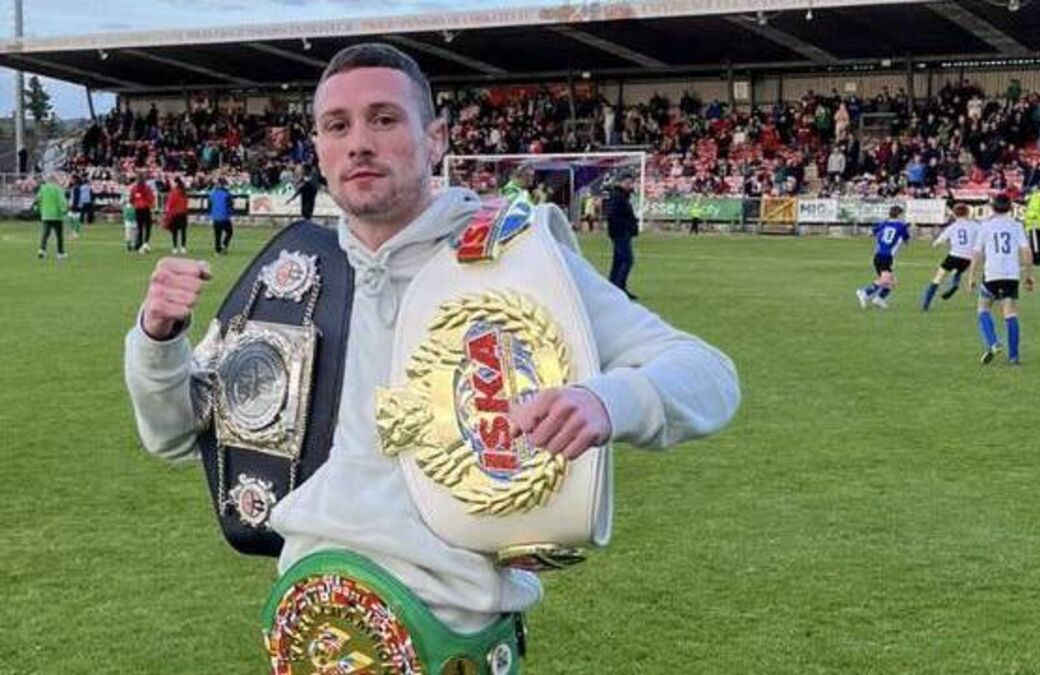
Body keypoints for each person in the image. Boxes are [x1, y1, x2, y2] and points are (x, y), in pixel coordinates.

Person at [124, 43, 739, 673]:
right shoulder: (293, 280)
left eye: (384, 119)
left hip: (452, 641)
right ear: (318, 149)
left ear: (436, 138)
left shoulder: (517, 261)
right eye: (338, 126)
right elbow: (173, 434)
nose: (359, 143)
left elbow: (707, 373)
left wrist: (607, 401)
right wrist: (157, 339)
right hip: (309, 634)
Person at [969, 194, 1034, 366]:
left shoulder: (985, 226)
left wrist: (971, 276)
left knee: (983, 308)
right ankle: (1014, 357)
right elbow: (1026, 251)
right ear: (1011, 208)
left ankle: (993, 342)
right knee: (1010, 313)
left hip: (992, 273)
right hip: (1011, 275)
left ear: (992, 207)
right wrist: (1029, 275)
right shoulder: (1016, 225)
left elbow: (977, 253)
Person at [922, 203, 977, 311]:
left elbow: (939, 241)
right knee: (959, 271)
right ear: (967, 213)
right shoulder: (975, 226)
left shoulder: (952, 227)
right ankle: (955, 285)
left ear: (954, 215)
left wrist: (935, 244)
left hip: (954, 255)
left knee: (938, 278)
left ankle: (926, 304)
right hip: (967, 258)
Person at [856, 205, 910, 310]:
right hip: (886, 256)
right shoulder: (901, 226)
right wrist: (907, 232)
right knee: (885, 280)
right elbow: (906, 241)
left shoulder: (884, 223)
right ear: (899, 215)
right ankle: (864, 292)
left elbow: (871, 233)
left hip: (878, 255)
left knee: (892, 282)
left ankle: (879, 299)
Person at [605, 173, 640, 299]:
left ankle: (613, 287)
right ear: (620, 182)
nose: (629, 185)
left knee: (619, 260)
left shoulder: (622, 196)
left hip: (621, 232)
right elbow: (612, 216)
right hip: (620, 233)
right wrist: (626, 227)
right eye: (627, 183)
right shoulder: (617, 196)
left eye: (630, 183)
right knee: (627, 259)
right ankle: (619, 287)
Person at [34, 174, 69, 261]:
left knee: (45, 234)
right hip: (57, 216)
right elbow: (62, 201)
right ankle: (60, 253)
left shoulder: (42, 188)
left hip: (46, 215)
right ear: (55, 180)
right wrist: (64, 210)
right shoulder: (58, 189)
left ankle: (42, 250)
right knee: (59, 236)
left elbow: (37, 200)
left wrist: (38, 209)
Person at [129, 173, 156, 254]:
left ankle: (140, 244)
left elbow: (131, 199)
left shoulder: (134, 188)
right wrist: (151, 205)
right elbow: (151, 198)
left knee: (140, 227)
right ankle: (145, 243)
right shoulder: (147, 188)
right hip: (146, 209)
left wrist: (135, 204)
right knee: (147, 227)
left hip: (138, 209)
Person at [164, 177, 189, 255]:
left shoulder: (174, 192)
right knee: (183, 232)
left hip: (175, 214)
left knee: (175, 232)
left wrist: (168, 212)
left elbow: (170, 203)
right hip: (183, 214)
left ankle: (175, 247)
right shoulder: (184, 192)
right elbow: (186, 203)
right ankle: (183, 247)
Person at [208, 178, 234, 254]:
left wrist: (212, 215)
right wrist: (229, 214)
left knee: (217, 235)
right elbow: (230, 205)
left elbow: (209, 206)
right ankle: (224, 245)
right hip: (224, 217)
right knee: (229, 232)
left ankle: (217, 251)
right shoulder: (227, 194)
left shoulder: (212, 194)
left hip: (215, 217)